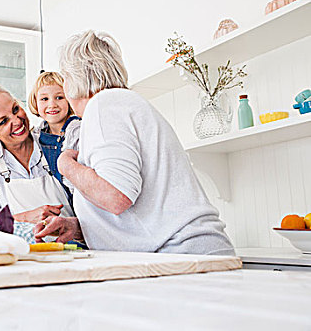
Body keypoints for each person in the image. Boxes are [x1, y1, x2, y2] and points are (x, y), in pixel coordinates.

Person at [35, 30, 235, 256]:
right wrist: (79, 228)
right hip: (187, 253)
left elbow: (116, 196)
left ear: (75, 79)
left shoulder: (104, 105)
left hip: (182, 254)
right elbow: (134, 206)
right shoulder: (118, 105)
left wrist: (66, 165)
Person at [0, 83, 74, 243]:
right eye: (3, 121)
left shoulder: (53, 143)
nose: (17, 121)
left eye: (15, 109)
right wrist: (26, 217)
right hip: (22, 257)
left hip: (75, 250)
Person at [28, 71, 81, 200]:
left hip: (77, 199)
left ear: (69, 99)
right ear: (35, 102)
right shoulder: (36, 134)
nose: (52, 104)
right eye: (44, 99)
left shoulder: (76, 130)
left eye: (59, 97)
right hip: (51, 202)